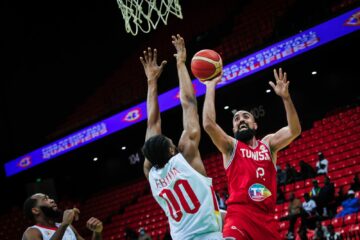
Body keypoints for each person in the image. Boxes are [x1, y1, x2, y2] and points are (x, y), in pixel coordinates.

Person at [202, 68, 301, 239]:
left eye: (246, 117)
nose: (241, 120)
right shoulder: (230, 147)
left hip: (266, 220)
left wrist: (286, 98)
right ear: (233, 129)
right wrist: (210, 86)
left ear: (255, 125)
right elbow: (209, 125)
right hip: (239, 216)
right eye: (236, 119)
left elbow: (294, 130)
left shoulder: (268, 144)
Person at [141, 35, 222, 240]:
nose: (174, 142)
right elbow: (189, 103)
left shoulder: (151, 174)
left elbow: (152, 124)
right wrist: (180, 63)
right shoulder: (185, 155)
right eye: (171, 142)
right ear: (171, 150)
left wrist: (152, 83)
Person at [22, 193, 103, 240]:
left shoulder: (69, 227)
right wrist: (64, 224)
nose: (52, 200)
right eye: (45, 199)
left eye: (49, 198)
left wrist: (97, 232)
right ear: (35, 210)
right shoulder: (32, 232)